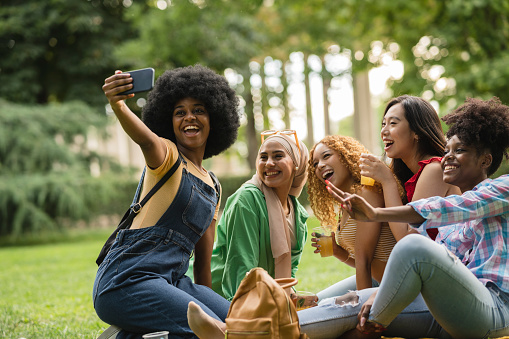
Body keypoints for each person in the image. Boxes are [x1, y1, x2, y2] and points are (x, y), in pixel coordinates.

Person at [298, 96, 509, 338]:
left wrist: (376, 213)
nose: (447, 157)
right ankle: (266, 327)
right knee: (354, 303)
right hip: (446, 311)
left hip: (493, 309)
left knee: (412, 244)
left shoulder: (501, 189)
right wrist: (382, 293)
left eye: (459, 150)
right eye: (447, 149)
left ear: (485, 160)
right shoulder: (452, 228)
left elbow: (443, 209)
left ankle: (376, 317)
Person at [93, 65, 240, 338]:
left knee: (242, 323)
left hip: (172, 282)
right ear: (168, 121)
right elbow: (147, 141)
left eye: (199, 110)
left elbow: (202, 264)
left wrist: (209, 303)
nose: (189, 118)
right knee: (213, 331)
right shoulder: (167, 155)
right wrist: (118, 106)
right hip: (126, 279)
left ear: (215, 117)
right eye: (179, 112)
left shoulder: (214, 186)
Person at [210, 130, 309, 301]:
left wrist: (294, 299)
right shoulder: (246, 200)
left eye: (278, 156)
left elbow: (289, 273)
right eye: (263, 157)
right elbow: (240, 271)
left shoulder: (298, 214)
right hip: (223, 300)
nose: (269, 163)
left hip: (267, 300)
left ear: (297, 164)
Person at [360, 95, 460, 241]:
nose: (384, 131)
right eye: (383, 124)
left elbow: (406, 239)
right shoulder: (413, 174)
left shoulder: (435, 169)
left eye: (393, 123)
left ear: (416, 132)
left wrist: (387, 181)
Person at [307, 135, 398, 297]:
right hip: (378, 282)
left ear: (345, 156)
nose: (320, 165)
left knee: (318, 311)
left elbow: (364, 262)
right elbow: (364, 262)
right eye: (315, 164)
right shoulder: (346, 205)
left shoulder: (368, 194)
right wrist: (337, 251)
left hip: (396, 288)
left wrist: (362, 311)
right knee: (313, 302)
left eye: (326, 156)